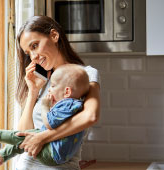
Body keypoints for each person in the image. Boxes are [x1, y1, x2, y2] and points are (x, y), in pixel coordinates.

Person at [13, 15, 100, 170]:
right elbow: (23, 136)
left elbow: (90, 115)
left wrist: (43, 138)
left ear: (54, 35)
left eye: (35, 46)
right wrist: (33, 92)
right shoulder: (43, 81)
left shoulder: (85, 75)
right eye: (28, 53)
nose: (33, 57)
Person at [0, 64, 90, 166]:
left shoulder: (67, 105)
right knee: (27, 137)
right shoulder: (77, 106)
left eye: (53, 86)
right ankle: (2, 156)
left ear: (67, 92)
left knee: (27, 135)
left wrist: (45, 106)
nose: (49, 90)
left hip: (52, 153)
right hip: (57, 155)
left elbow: (49, 124)